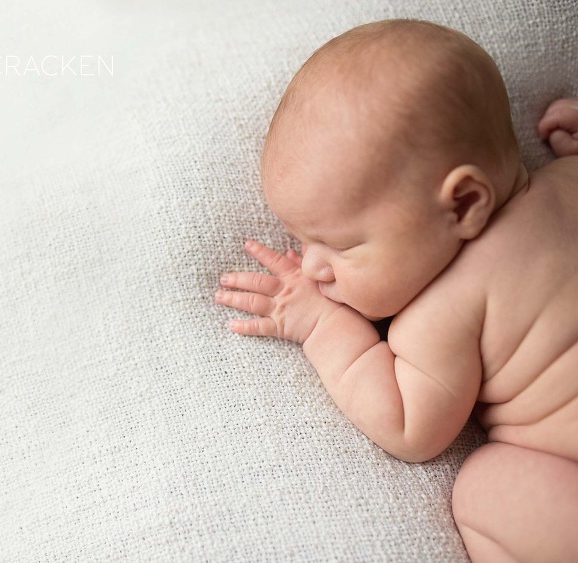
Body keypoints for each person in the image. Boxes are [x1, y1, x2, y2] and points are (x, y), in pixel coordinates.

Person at [215, 19, 578, 562]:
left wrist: (322, 326)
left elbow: (410, 428)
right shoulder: (568, 180)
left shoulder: (441, 313)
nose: (313, 267)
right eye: (301, 241)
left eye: (341, 245)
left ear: (462, 205)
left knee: (483, 488)